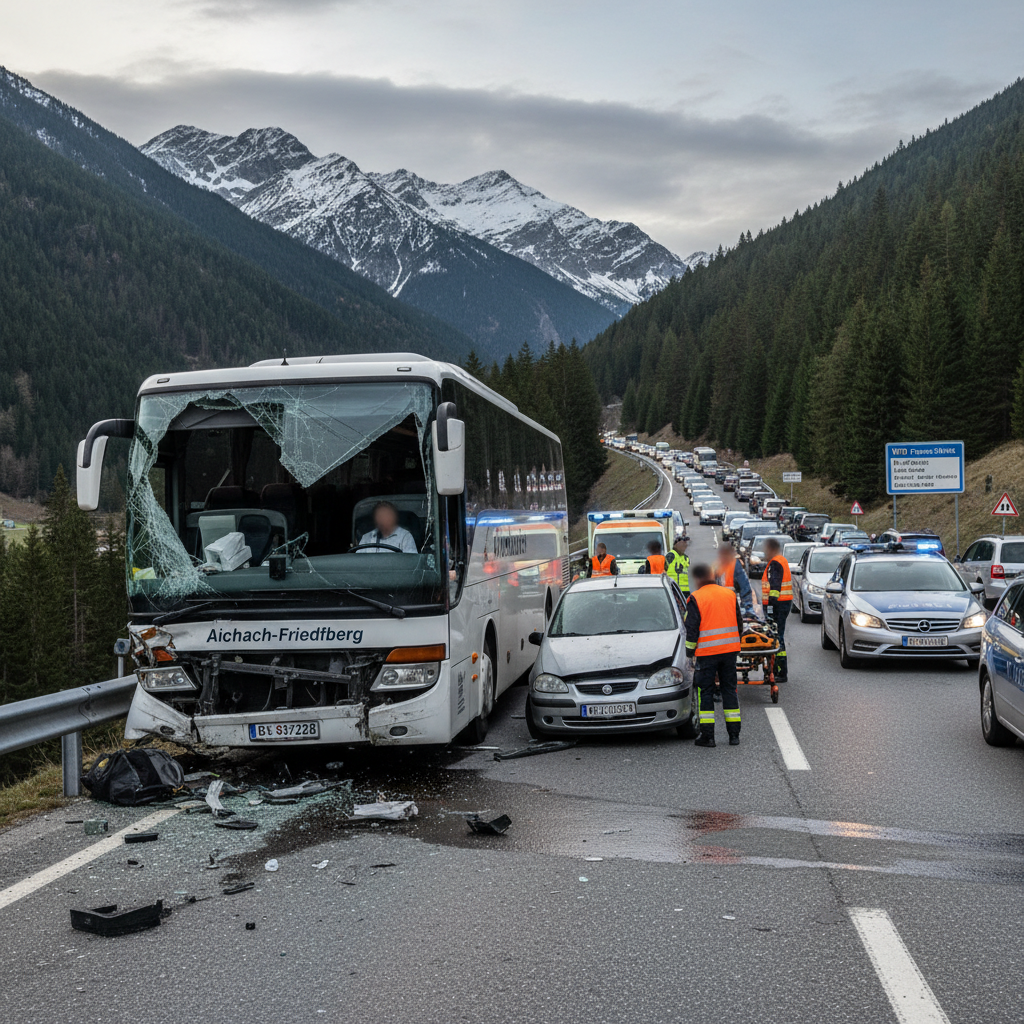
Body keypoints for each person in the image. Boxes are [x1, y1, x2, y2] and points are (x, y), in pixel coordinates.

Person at [684, 563, 743, 746]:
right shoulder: (729, 594)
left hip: (707, 653)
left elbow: (691, 629)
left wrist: (689, 653)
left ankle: (708, 736)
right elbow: (739, 624)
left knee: (706, 692)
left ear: (698, 579)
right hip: (729, 652)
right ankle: (734, 735)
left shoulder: (696, 598)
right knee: (729, 690)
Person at [762, 537, 792, 681]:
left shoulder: (775, 563)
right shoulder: (781, 560)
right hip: (783, 604)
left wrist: (771, 608)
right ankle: (777, 669)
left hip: (778, 605)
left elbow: (774, 587)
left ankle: (780, 671)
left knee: (777, 638)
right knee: (778, 636)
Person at [716, 543, 755, 617]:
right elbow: (745, 586)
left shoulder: (719, 566)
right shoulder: (734, 564)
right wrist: (747, 607)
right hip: (730, 603)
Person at [664, 534, 691, 598]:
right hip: (673, 588)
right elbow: (664, 569)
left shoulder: (685, 557)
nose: (685, 546)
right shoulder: (671, 555)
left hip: (685, 590)